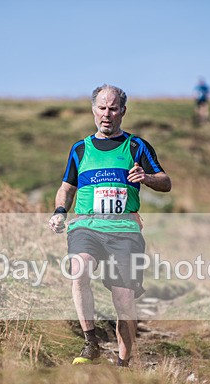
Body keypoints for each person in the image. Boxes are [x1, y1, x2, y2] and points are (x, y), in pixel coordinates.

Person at [48, 84, 172, 367]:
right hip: (87, 226)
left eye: (113, 108)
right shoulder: (80, 149)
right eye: (102, 108)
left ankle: (123, 365)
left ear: (123, 112)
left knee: (124, 298)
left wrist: (147, 178)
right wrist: (59, 212)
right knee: (79, 269)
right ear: (94, 111)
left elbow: (166, 182)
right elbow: (67, 188)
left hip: (125, 232)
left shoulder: (137, 146)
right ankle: (90, 342)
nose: (107, 114)